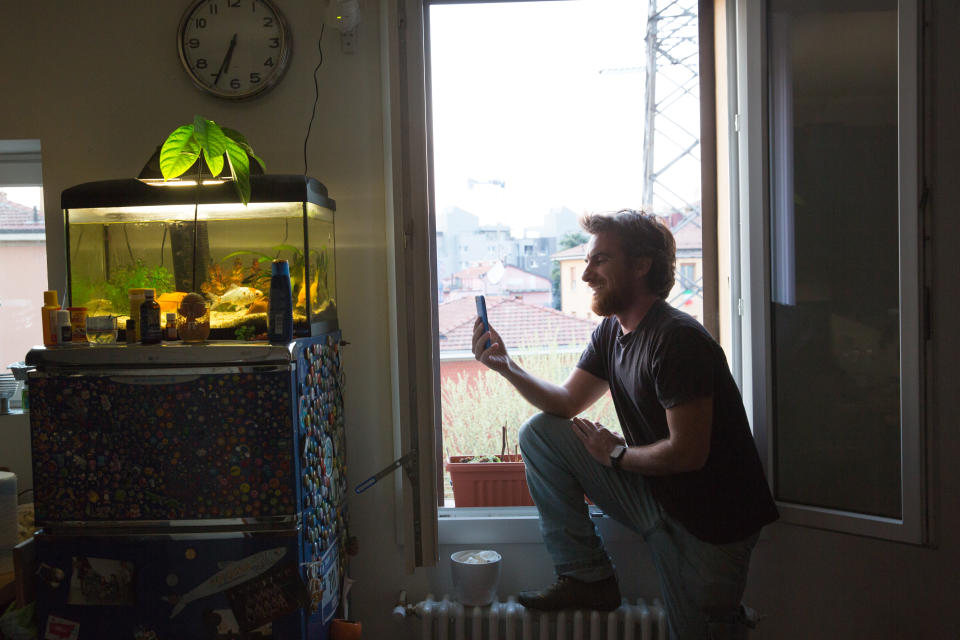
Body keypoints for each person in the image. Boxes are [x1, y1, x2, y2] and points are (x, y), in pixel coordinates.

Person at [472, 210, 778, 639]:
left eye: (601, 260)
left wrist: (616, 454)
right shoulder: (611, 333)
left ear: (641, 265)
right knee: (541, 434)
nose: (586, 275)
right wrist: (507, 367)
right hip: (659, 498)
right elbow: (566, 402)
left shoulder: (676, 339)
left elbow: (689, 452)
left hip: (712, 528)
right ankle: (587, 577)